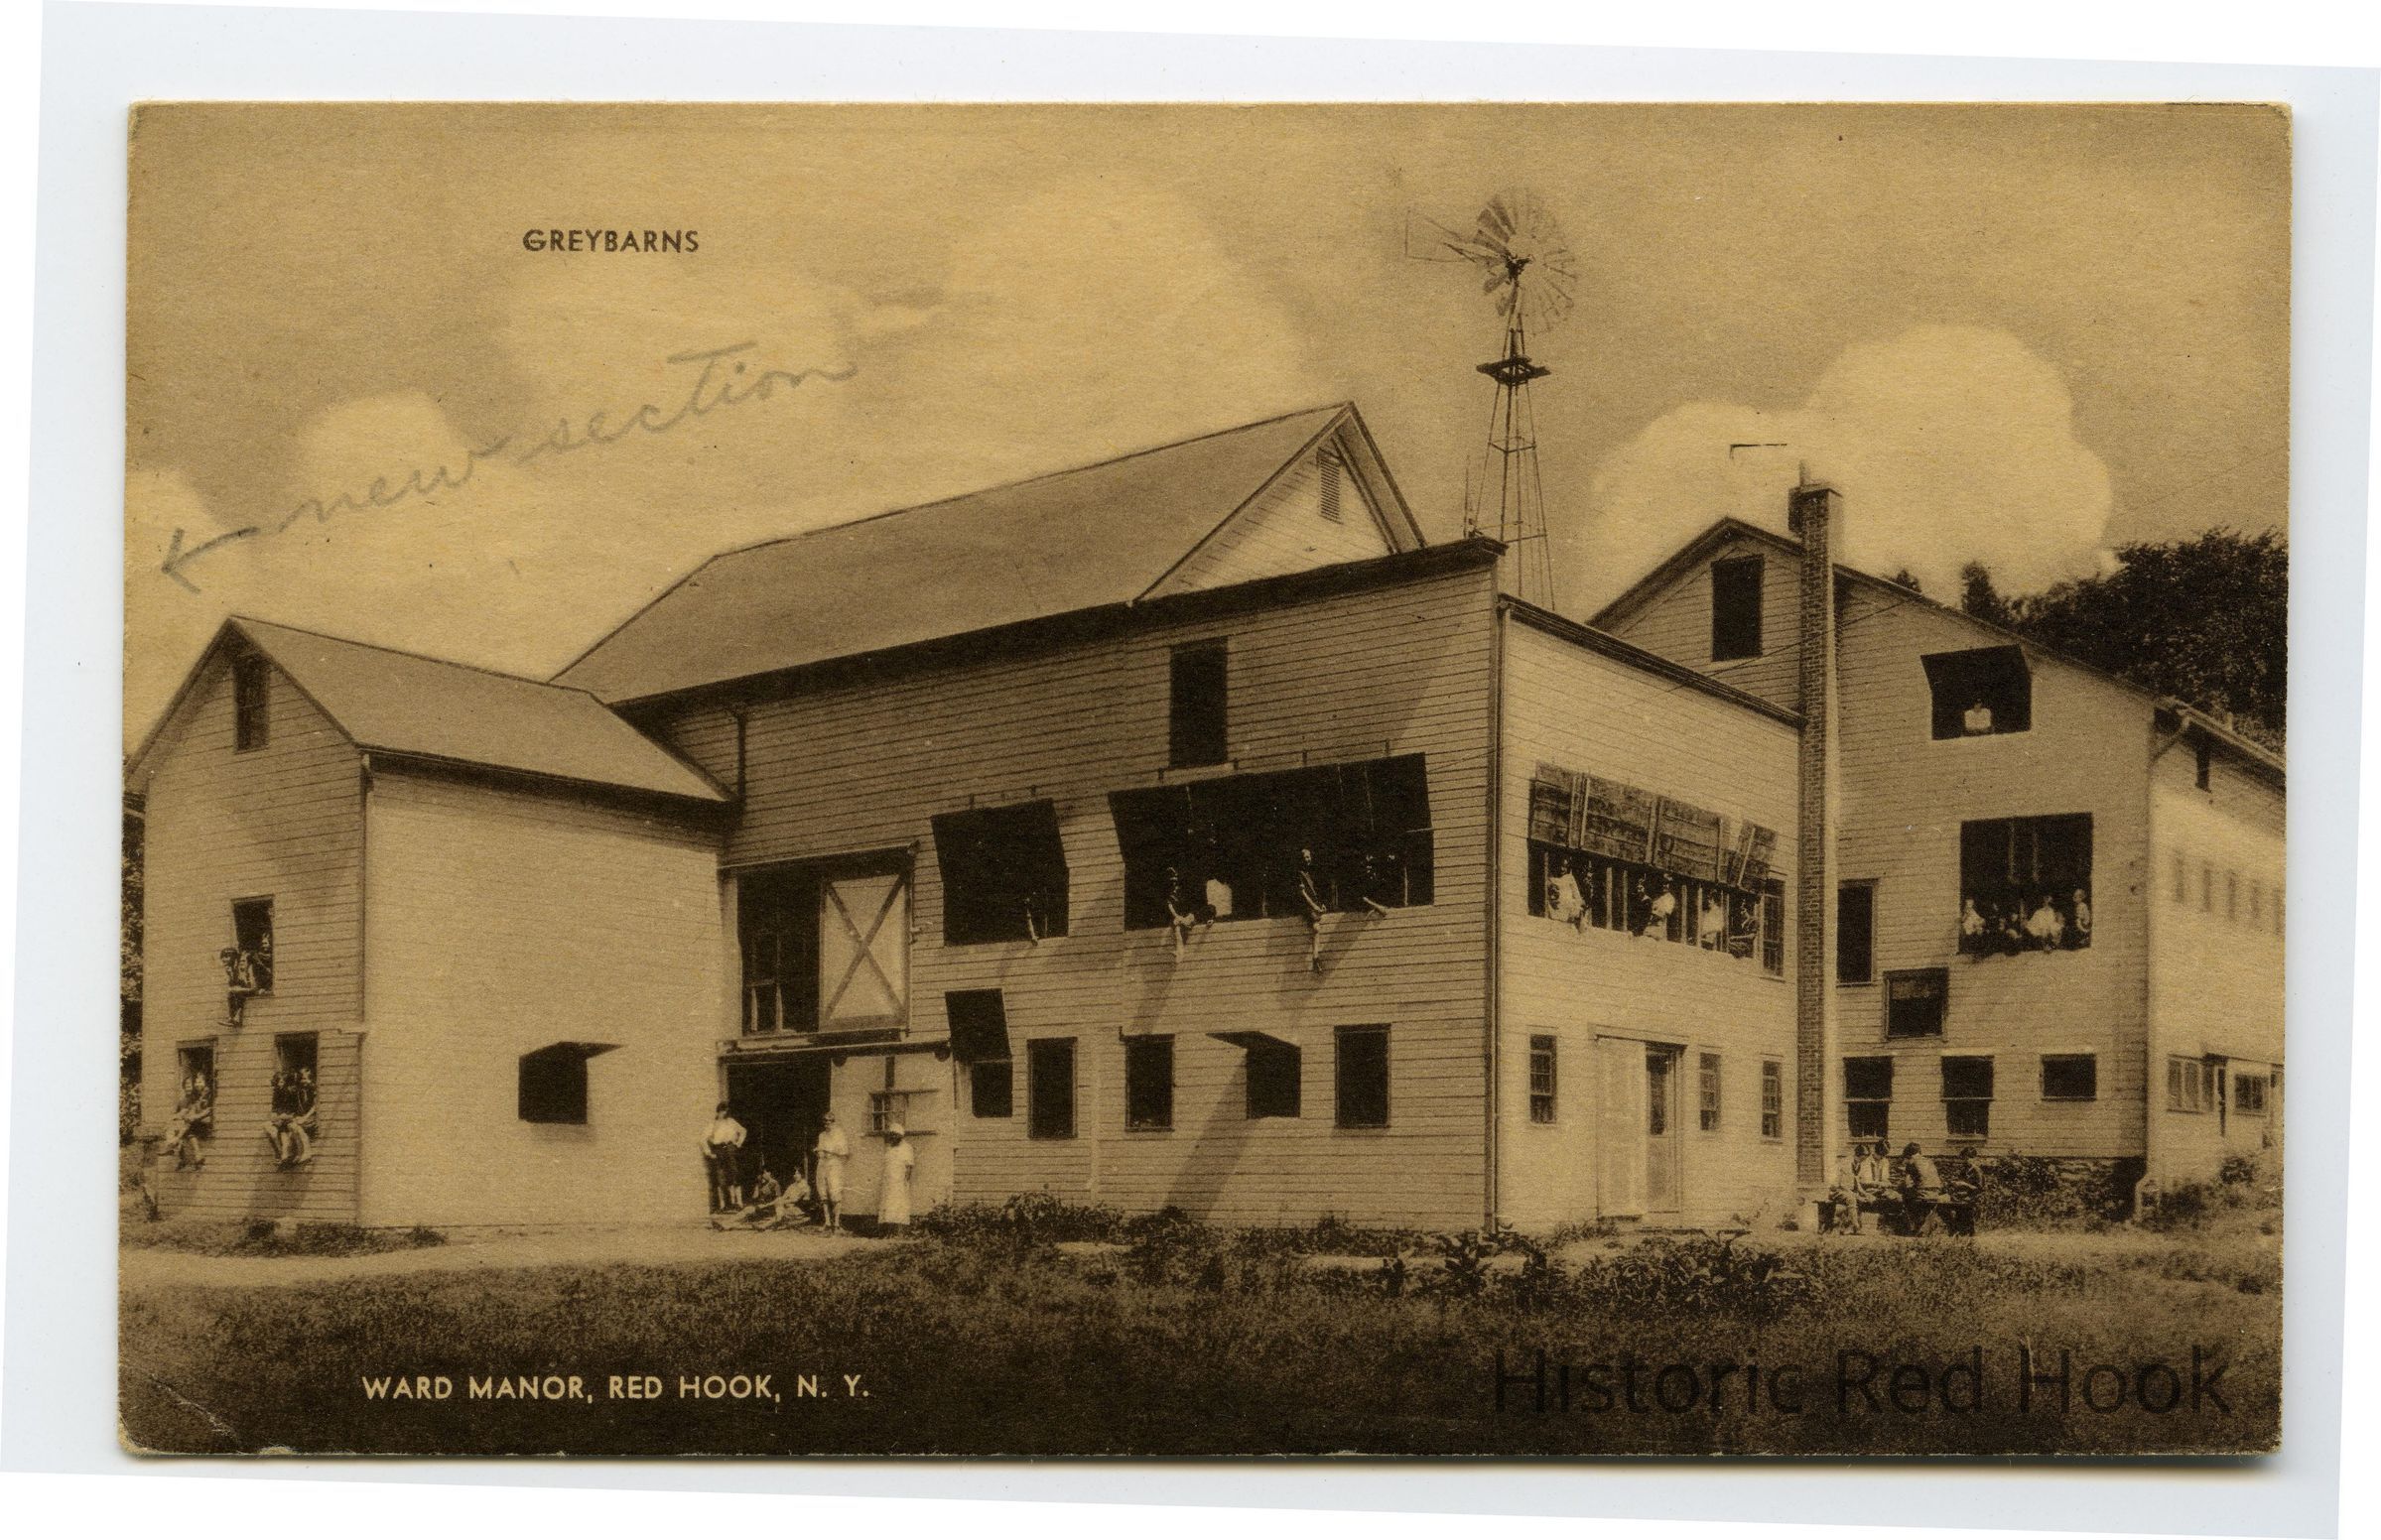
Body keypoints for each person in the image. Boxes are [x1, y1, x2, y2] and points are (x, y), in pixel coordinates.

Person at [701, 1101, 747, 1212]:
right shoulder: (713, 1124)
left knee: (734, 1175)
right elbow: (702, 1139)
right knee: (720, 1177)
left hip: (731, 1149)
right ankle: (723, 1205)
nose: (724, 1113)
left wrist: (738, 1143)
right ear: (718, 1112)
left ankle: (737, 1203)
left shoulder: (731, 1122)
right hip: (719, 1150)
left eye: (725, 1111)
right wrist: (708, 1153)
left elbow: (743, 1131)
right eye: (722, 1111)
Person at [813, 1110, 852, 1232]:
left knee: (835, 1193)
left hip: (834, 1164)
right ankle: (827, 1222)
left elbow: (844, 1152)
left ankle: (837, 1223)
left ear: (833, 1122)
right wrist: (819, 1151)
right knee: (823, 1193)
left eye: (829, 1121)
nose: (827, 1123)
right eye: (825, 1121)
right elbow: (820, 1149)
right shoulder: (822, 1135)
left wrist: (828, 1151)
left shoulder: (839, 1134)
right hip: (822, 1164)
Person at [1896, 1141, 1945, 1234]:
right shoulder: (1929, 1161)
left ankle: (1910, 1225)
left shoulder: (1911, 1161)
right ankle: (1923, 1225)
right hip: (1935, 1193)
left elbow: (1906, 1183)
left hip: (1922, 1194)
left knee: (1901, 1196)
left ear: (1908, 1153)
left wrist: (1898, 1188)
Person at [877, 1123, 916, 1231]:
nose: (892, 1137)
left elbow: (909, 1166)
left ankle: (899, 1231)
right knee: (888, 1204)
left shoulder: (907, 1148)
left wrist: (906, 1181)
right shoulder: (889, 1148)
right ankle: (889, 1230)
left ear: (900, 1136)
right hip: (888, 1181)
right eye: (891, 1135)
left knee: (899, 1204)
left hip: (899, 1181)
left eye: (894, 1135)